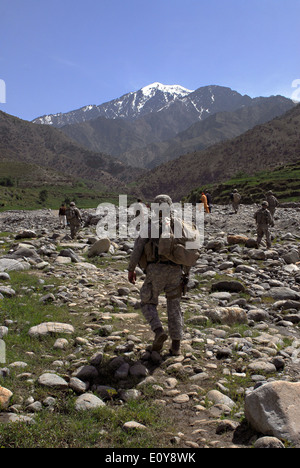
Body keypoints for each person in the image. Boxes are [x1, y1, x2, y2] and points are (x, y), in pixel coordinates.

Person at [127, 194, 192, 356]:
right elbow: (190, 252)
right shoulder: (181, 226)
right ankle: (176, 346)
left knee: (147, 301)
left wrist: (131, 269)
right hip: (176, 271)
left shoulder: (149, 226)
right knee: (174, 307)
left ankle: (158, 330)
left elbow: (138, 249)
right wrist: (186, 274)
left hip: (155, 270)